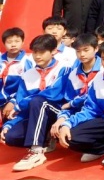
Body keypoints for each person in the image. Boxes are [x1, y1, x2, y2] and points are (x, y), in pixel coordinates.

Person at [0, 35, 70, 171]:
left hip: (58, 112)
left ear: (54, 51)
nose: (37, 56)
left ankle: (36, 151)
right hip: (36, 113)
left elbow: (54, 95)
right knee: (10, 136)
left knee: (39, 101)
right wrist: (10, 124)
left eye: (42, 52)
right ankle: (46, 138)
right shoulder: (28, 75)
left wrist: (22, 103)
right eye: (35, 52)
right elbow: (21, 105)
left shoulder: (63, 69)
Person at [0, 28, 34, 119]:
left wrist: (13, 101)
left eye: (17, 41)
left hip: (14, 101)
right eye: (9, 42)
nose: (13, 44)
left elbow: (27, 87)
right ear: (4, 43)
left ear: (23, 42)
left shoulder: (27, 61)